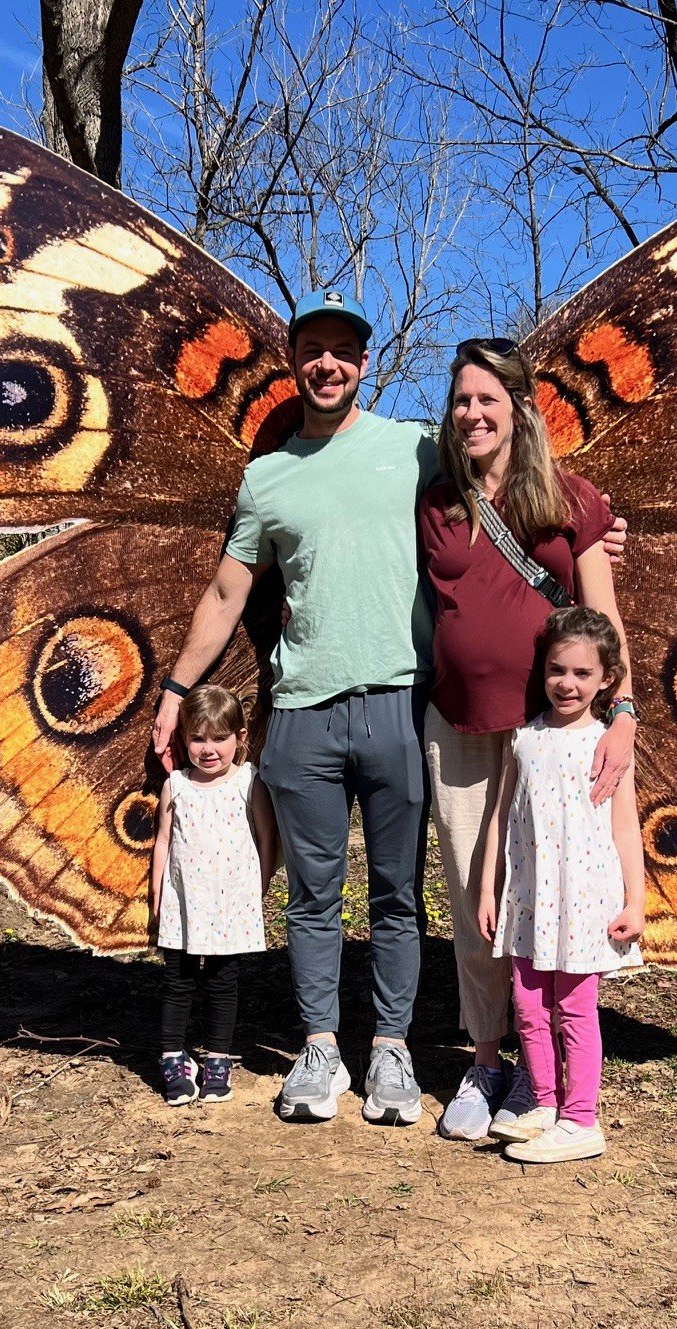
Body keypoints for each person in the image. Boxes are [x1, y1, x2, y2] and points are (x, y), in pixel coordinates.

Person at [151, 289, 438, 1126]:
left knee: (395, 893)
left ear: (363, 362)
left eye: (341, 350)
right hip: (302, 711)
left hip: (397, 701)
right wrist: (173, 692)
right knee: (312, 895)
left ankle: (390, 1049)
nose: (326, 363)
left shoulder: (416, 447)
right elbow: (226, 590)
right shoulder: (265, 476)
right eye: (311, 348)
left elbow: (509, 494)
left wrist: (594, 531)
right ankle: (320, 1049)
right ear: (293, 361)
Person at [418, 339, 638, 1142]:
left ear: (517, 408)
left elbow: (603, 611)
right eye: (460, 401)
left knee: (558, 899)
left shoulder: (570, 499)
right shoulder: (435, 500)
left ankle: (551, 1080)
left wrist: (624, 714)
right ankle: (489, 1061)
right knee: (486, 908)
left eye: (487, 400)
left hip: (559, 734)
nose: (471, 414)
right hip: (463, 730)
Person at [477, 606, 646, 1163]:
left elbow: (625, 826)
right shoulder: (524, 739)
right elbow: (501, 817)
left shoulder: (607, 744)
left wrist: (636, 900)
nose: (566, 684)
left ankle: (581, 1119)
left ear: (606, 681)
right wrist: (487, 889)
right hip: (528, 897)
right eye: (556, 670)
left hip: (583, 899)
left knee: (575, 1008)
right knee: (526, 1004)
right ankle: (544, 1105)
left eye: (581, 674)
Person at [150, 685, 277, 1106]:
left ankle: (217, 1059)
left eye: (219, 738)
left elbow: (265, 838)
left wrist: (257, 889)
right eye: (197, 738)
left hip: (230, 904)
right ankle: (173, 1057)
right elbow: (164, 843)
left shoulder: (247, 781)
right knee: (177, 980)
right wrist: (156, 894)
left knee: (224, 982)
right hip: (183, 902)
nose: (208, 749)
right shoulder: (177, 785)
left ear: (240, 738)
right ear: (183, 740)